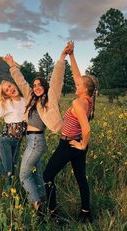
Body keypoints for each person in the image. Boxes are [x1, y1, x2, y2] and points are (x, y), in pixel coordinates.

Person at [3, 43, 72, 211]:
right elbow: (21, 82)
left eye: (40, 84)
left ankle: (37, 205)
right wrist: (12, 66)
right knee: (39, 176)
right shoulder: (30, 98)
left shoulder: (50, 98)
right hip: (30, 140)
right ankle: (48, 207)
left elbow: (56, 78)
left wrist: (62, 57)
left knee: (24, 175)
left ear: (45, 87)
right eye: (35, 85)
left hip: (36, 140)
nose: (36, 87)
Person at [43, 41, 97, 223]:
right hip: (77, 143)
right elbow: (77, 76)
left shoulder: (78, 102)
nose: (76, 83)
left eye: (79, 84)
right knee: (81, 178)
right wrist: (71, 55)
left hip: (69, 144)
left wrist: (82, 145)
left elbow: (87, 128)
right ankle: (85, 213)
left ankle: (52, 214)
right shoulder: (88, 98)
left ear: (85, 88)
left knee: (47, 175)